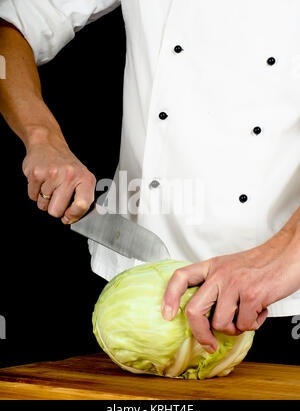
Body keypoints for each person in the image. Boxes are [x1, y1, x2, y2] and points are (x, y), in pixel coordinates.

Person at [0, 1, 299, 358]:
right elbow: (8, 29)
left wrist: (283, 257)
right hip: (135, 304)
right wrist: (42, 138)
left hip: (285, 300)